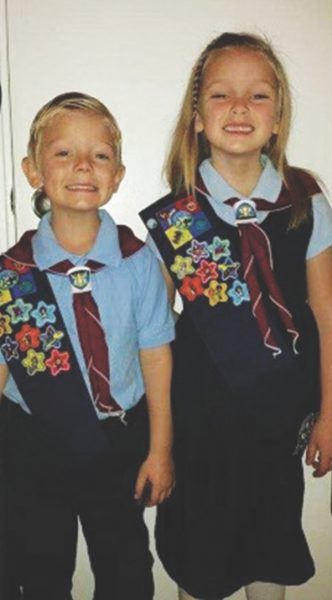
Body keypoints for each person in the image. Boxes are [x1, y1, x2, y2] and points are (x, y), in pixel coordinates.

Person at [140, 32, 332, 600]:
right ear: (197, 118)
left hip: (276, 430)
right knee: (200, 568)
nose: (241, 108)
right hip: (198, 431)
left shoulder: (306, 202)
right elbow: (154, 335)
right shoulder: (178, 218)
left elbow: (326, 315)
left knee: (268, 556)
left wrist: (329, 411)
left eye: (258, 96)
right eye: (222, 95)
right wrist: (160, 442)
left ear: (278, 118)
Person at [0, 91, 175, 600]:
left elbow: (157, 357)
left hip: (117, 443)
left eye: (99, 155)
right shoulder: (13, 274)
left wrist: (160, 449)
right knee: (41, 571)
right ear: (33, 171)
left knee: (126, 574)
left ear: (118, 175)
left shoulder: (137, 261)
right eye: (63, 153)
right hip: (32, 444)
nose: (82, 166)